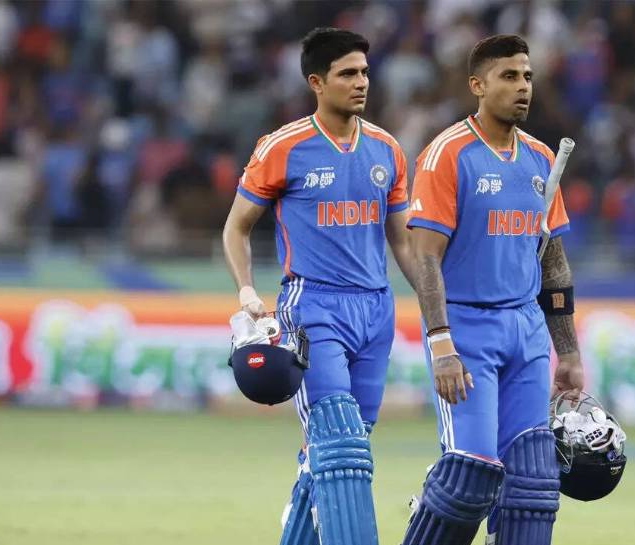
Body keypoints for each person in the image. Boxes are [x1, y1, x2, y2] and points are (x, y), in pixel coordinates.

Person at [221, 27, 417, 545]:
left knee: (345, 449)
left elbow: (402, 242)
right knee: (340, 444)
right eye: (347, 73)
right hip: (313, 307)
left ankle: (299, 517)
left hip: (377, 309)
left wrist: (437, 306)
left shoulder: (387, 150)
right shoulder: (283, 147)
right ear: (316, 82)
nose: (361, 82)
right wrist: (247, 291)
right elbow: (236, 227)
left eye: (365, 72)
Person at [401, 34, 584, 545]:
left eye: (527, 76)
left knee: (534, 487)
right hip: (466, 330)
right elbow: (425, 257)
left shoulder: (541, 158)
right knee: (471, 477)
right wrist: (441, 344)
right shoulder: (447, 154)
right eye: (509, 76)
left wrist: (568, 352)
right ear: (477, 86)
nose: (523, 86)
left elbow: (553, 261)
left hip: (526, 331)